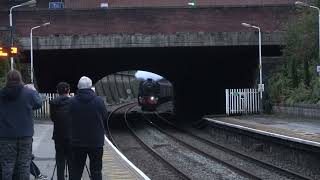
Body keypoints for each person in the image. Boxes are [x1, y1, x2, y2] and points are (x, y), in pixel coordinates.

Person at [0, 70, 42, 179]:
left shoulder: (2, 94)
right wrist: (33, 90)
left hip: (6, 136)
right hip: (25, 135)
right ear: (20, 79)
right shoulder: (28, 93)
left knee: (7, 165)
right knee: (24, 164)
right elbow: (38, 103)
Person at [69, 76, 107, 180]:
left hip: (77, 142)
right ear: (91, 87)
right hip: (96, 142)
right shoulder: (99, 101)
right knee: (96, 171)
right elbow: (104, 116)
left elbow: (68, 118)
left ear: (78, 87)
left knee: (76, 171)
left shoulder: (71, 102)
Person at [49, 82, 72, 180]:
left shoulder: (53, 103)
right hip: (72, 137)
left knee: (60, 161)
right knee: (72, 162)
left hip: (58, 136)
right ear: (69, 90)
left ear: (57, 91)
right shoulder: (74, 102)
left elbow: (53, 118)